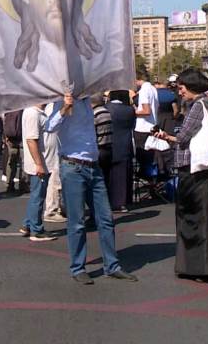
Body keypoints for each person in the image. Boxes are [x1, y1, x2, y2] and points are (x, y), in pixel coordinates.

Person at [45, 92, 136, 284]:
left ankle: (112, 265)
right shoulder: (62, 100)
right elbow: (49, 127)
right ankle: (78, 267)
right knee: (77, 222)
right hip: (73, 166)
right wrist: (64, 108)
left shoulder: (87, 103)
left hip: (93, 166)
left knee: (105, 218)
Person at [154, 69, 208, 281]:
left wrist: (167, 136)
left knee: (192, 216)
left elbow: (184, 136)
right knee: (207, 213)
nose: (180, 91)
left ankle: (197, 266)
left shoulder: (197, 107)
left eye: (181, 87)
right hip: (207, 167)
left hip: (192, 166)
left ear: (191, 86)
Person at [19, 104, 59, 241]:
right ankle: (36, 230)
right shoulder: (32, 113)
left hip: (44, 162)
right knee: (38, 196)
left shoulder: (38, 112)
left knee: (36, 195)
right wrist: (38, 164)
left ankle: (28, 224)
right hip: (39, 164)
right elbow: (31, 139)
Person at [106, 90, 136, 211]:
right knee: (122, 175)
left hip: (108, 143)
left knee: (107, 175)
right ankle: (122, 202)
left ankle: (108, 201)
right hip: (125, 143)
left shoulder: (105, 108)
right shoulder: (129, 110)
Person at [132, 71, 158, 188]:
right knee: (150, 157)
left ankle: (146, 179)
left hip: (142, 128)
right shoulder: (153, 88)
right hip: (152, 126)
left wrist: (133, 111)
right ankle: (152, 181)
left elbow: (146, 111)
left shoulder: (143, 91)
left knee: (143, 156)